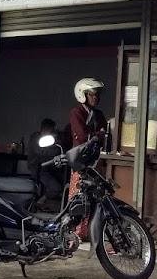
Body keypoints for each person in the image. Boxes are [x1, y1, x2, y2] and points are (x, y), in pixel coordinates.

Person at [67, 78, 107, 238]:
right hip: (80, 161)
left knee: (95, 196)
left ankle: (93, 231)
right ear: (82, 94)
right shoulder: (77, 113)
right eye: (92, 95)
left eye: (97, 95)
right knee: (79, 196)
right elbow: (83, 136)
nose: (95, 98)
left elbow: (105, 135)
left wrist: (99, 135)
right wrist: (99, 134)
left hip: (95, 161)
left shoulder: (98, 114)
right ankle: (77, 232)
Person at [26, 118, 66, 207]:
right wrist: (56, 150)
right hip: (37, 169)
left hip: (48, 169)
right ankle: (41, 201)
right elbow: (42, 152)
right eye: (51, 130)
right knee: (56, 188)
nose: (52, 133)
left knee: (65, 181)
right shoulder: (36, 138)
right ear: (44, 129)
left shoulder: (50, 139)